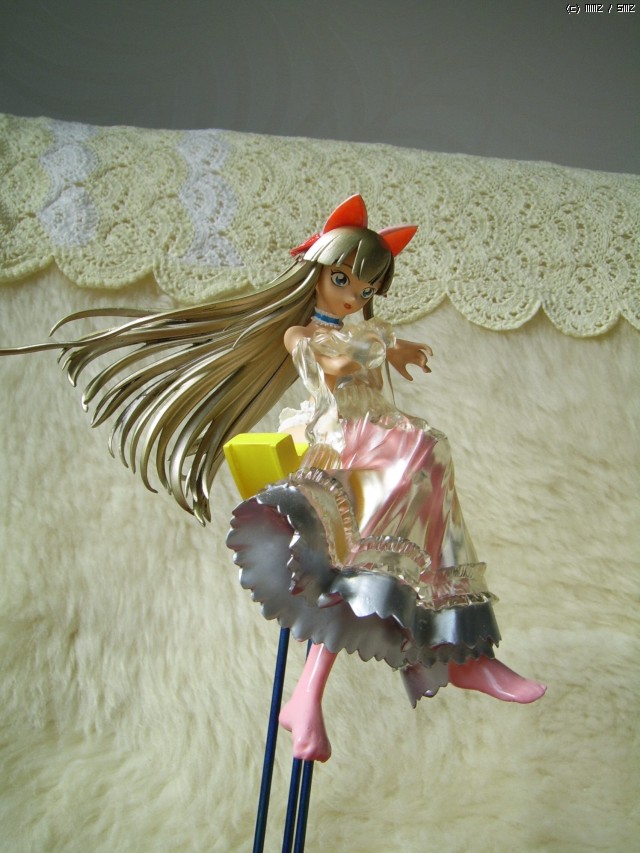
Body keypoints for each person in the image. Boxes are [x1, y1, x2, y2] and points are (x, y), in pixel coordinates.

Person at [226, 195, 546, 762]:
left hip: (376, 439)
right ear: (318, 271)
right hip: (337, 446)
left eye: (367, 288)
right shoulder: (302, 333)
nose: (354, 297)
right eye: (343, 280)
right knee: (390, 503)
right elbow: (323, 362)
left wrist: (397, 350)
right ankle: (442, 660)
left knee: (425, 471)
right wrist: (350, 356)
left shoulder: (366, 331)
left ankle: (460, 650)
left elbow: (378, 350)